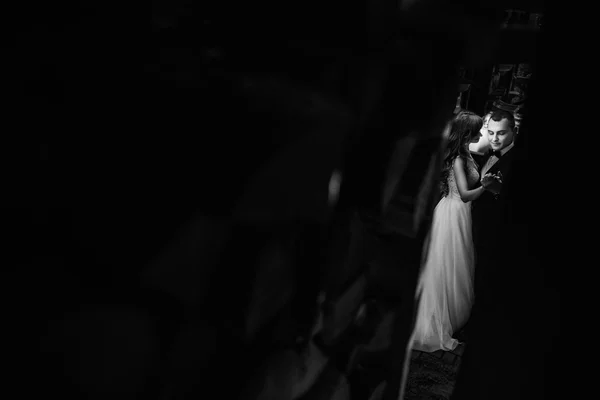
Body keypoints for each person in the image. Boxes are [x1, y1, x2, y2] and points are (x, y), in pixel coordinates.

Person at [411, 111, 500, 352]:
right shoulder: (459, 160)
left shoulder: (465, 154)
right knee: (446, 266)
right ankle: (436, 321)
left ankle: (451, 315)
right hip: (453, 213)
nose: (481, 134)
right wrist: (486, 185)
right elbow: (464, 195)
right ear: (466, 134)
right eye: (478, 130)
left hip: (461, 214)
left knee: (455, 266)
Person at [470, 109, 517, 300]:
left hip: (494, 232)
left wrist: (498, 190)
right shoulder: (487, 153)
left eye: (501, 133)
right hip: (476, 226)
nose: (494, 138)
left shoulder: (515, 160)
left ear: (514, 131)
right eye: (491, 133)